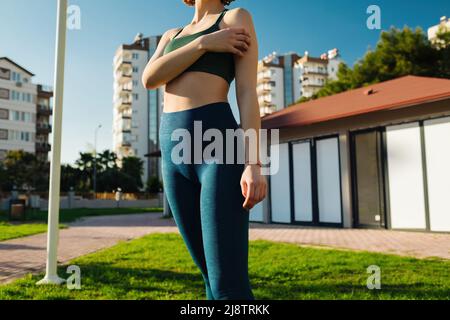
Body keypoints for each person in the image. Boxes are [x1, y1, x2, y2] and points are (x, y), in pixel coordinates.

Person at [142, 0, 267, 300]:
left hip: (218, 146)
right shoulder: (171, 36)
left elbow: (248, 93)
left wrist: (253, 163)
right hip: (173, 151)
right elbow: (150, 78)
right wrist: (204, 44)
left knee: (228, 285)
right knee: (209, 278)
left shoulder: (235, 18)